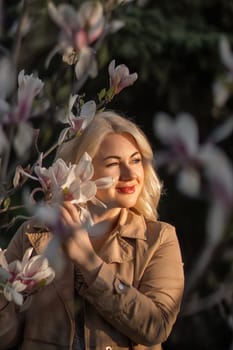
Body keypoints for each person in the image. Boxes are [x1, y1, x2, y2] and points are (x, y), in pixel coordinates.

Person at [0, 111, 184, 350]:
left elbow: (155, 327)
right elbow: (6, 339)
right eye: (113, 164)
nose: (130, 175)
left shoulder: (158, 239)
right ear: (81, 171)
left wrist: (89, 263)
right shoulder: (34, 234)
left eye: (136, 160)